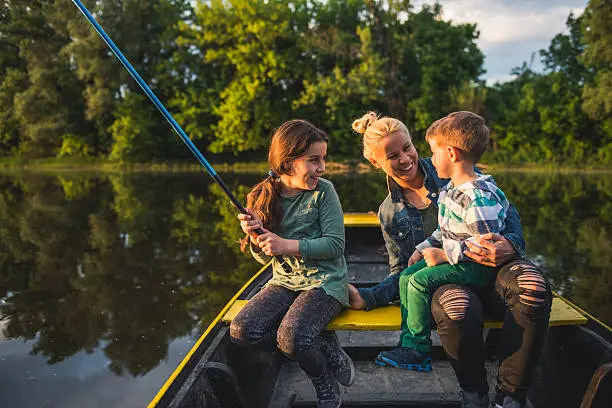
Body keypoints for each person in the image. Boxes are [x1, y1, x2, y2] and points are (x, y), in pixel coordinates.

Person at [349, 112, 552, 408]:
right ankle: (474, 395)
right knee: (456, 305)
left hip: (490, 266)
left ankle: (511, 396)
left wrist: (512, 244)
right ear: (375, 163)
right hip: (448, 279)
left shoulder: (456, 168)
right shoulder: (389, 214)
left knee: (533, 286)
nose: (406, 159)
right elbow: (403, 271)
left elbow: (507, 213)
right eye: (393, 155)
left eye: (408, 147)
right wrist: (372, 297)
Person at [230, 120, 354, 408]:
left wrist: (286, 245)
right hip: (284, 281)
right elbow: (264, 259)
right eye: (314, 160)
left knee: (292, 338)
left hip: (326, 281)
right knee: (242, 331)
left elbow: (336, 245)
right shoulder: (261, 196)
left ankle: (324, 379)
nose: (322, 167)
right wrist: (254, 237)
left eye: (323, 159)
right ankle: (322, 339)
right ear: (287, 162)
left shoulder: (324, 192)